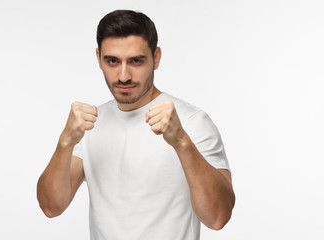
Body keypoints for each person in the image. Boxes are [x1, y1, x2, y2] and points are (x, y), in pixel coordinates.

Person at [37, 9, 235, 240]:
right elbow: (51, 207)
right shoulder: (91, 124)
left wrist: (182, 142)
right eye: (112, 61)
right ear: (99, 58)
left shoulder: (191, 122)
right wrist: (65, 142)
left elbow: (218, 217)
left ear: (156, 57)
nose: (123, 76)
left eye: (136, 61)